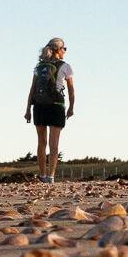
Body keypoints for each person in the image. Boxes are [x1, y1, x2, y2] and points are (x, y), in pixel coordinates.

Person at [24, 38, 75, 183]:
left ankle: (42, 174)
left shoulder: (39, 66)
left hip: (39, 106)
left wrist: (28, 109)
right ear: (58, 50)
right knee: (54, 143)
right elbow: (71, 90)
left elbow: (32, 89)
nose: (64, 51)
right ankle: (50, 176)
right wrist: (71, 107)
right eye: (64, 48)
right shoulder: (65, 67)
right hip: (56, 106)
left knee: (41, 142)